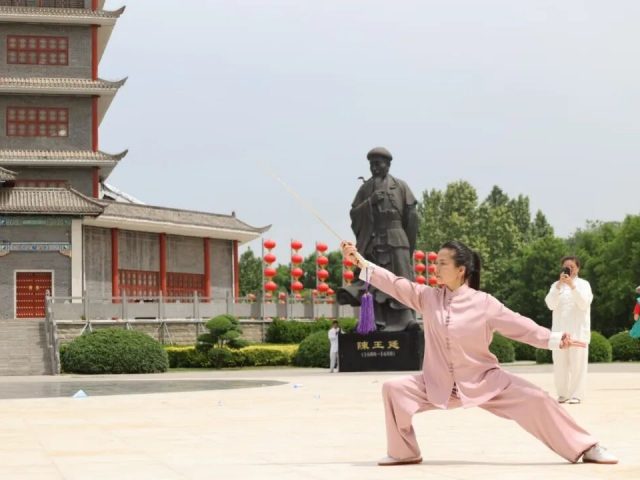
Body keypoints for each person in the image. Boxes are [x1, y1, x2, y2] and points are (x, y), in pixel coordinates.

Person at [340, 239, 617, 465]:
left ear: (461, 270)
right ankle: (404, 453)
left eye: (443, 263)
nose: (436, 268)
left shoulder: (484, 303)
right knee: (394, 389)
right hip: (437, 383)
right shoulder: (427, 297)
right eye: (436, 262)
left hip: (484, 381)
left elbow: (520, 326)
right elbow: (394, 283)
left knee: (537, 398)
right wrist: (360, 262)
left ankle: (587, 447)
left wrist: (555, 339)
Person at [337, 147, 419, 332]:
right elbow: (355, 214)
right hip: (373, 242)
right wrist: (370, 202)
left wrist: (407, 244)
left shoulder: (401, 186)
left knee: (401, 280)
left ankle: (406, 319)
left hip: (396, 239)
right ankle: (373, 322)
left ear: (388, 165)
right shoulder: (365, 189)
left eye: (378, 164)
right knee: (373, 283)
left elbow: (412, 217)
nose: (374, 168)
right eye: (372, 165)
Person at [544, 256, 593, 405]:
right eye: (566, 266)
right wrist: (559, 285)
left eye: (572, 266)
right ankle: (562, 394)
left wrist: (572, 286)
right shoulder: (556, 285)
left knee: (578, 366)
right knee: (559, 366)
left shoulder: (584, 284)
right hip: (559, 334)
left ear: (578, 268)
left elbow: (584, 303)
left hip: (578, 332)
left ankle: (577, 394)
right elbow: (550, 304)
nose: (569, 269)